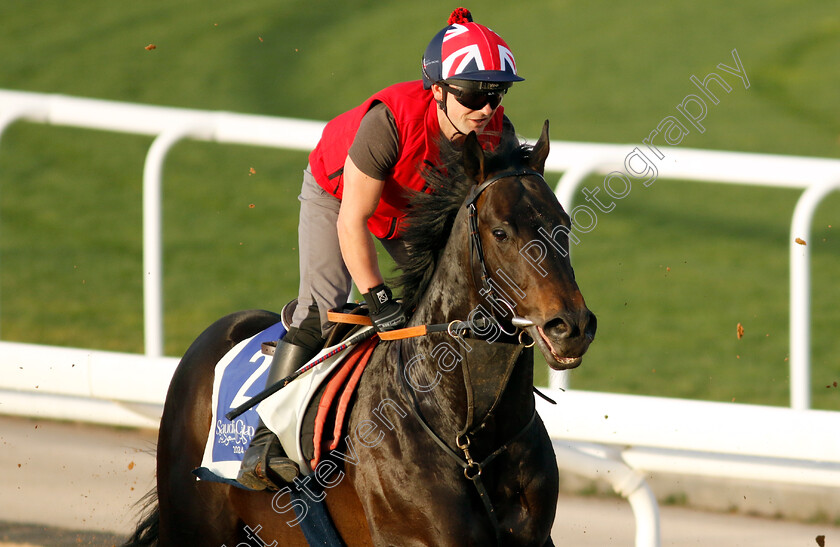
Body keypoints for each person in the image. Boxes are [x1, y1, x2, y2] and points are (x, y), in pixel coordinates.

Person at [237, 7, 525, 491]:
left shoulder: (496, 133)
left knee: (455, 303)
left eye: (496, 94)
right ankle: (264, 441)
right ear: (437, 90)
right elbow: (353, 221)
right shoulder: (389, 121)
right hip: (338, 197)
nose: (486, 109)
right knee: (324, 311)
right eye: (474, 94)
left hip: (413, 209)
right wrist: (376, 297)